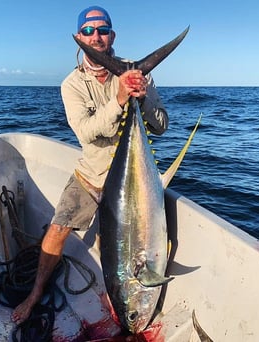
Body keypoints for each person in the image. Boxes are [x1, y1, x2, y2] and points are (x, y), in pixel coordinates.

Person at [11, 5, 168, 326]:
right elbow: (86, 132)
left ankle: (112, 289)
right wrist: (121, 99)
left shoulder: (137, 73)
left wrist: (143, 96)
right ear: (80, 36)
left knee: (125, 239)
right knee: (58, 228)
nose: (96, 36)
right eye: (88, 31)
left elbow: (161, 125)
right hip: (92, 175)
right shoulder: (72, 84)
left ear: (112, 35)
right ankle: (36, 292)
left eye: (102, 30)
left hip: (135, 181)